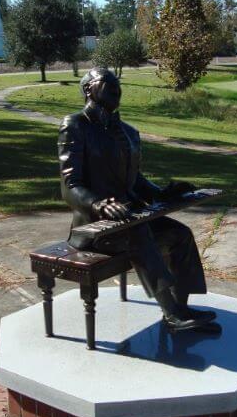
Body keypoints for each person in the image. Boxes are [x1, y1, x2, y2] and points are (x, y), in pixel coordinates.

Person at [57, 67, 220, 334]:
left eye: (117, 83)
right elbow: (70, 185)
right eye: (107, 82)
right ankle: (172, 315)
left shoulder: (129, 132)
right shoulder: (75, 126)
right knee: (139, 234)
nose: (115, 87)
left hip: (131, 219)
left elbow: (135, 181)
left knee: (180, 234)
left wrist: (163, 193)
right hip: (95, 229)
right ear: (88, 90)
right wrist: (98, 204)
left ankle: (182, 305)